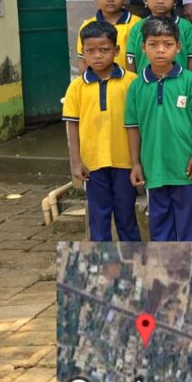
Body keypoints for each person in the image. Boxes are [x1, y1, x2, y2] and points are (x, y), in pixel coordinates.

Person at [125, 16, 192, 241]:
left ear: (178, 47)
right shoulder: (136, 86)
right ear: (143, 47)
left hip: (185, 168)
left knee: (189, 226)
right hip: (154, 167)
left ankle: (191, 264)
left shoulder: (190, 81)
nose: (160, 50)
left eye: (168, 44)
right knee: (160, 227)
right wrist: (135, 163)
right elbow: (132, 127)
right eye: (153, 44)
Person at [63, 20, 140, 242]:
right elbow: (72, 126)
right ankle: (100, 260)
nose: (97, 56)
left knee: (126, 216)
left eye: (104, 50)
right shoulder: (77, 87)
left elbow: (138, 125)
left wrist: (137, 161)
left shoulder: (131, 82)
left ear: (116, 50)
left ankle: (132, 259)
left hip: (124, 162)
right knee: (98, 217)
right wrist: (76, 161)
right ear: (83, 53)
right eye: (90, 51)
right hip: (93, 164)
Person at [125, 0, 192, 74]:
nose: (160, 1)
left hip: (179, 81)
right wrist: (133, 81)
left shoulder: (186, 27)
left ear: (175, 1)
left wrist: (190, 80)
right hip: (144, 81)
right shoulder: (137, 27)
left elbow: (191, 58)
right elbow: (130, 58)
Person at [76, 0, 140, 71]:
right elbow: (83, 60)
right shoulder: (87, 26)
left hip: (128, 79)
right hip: (97, 79)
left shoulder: (137, 24)